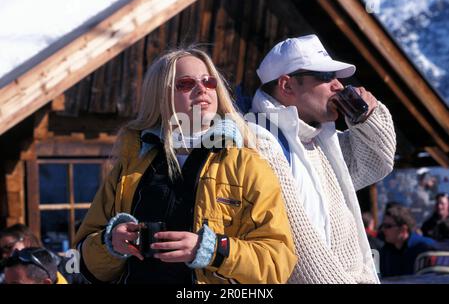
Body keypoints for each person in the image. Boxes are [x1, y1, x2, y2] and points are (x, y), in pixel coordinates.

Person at [74, 47, 297, 284]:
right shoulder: (131, 166)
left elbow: (277, 263)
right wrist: (111, 243)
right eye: (186, 83)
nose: (202, 89)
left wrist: (212, 250)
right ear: (161, 95)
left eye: (209, 81)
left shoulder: (248, 165)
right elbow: (81, 259)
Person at [249, 34, 396, 283]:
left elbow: (376, 161)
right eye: (326, 77)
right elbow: (301, 247)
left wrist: (365, 118)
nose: (338, 85)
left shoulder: (319, 139)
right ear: (287, 86)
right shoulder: (261, 141)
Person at [379, 205, 436, 277]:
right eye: (383, 226)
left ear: (403, 229)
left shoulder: (426, 248)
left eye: (388, 226)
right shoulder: (385, 252)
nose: (383, 229)